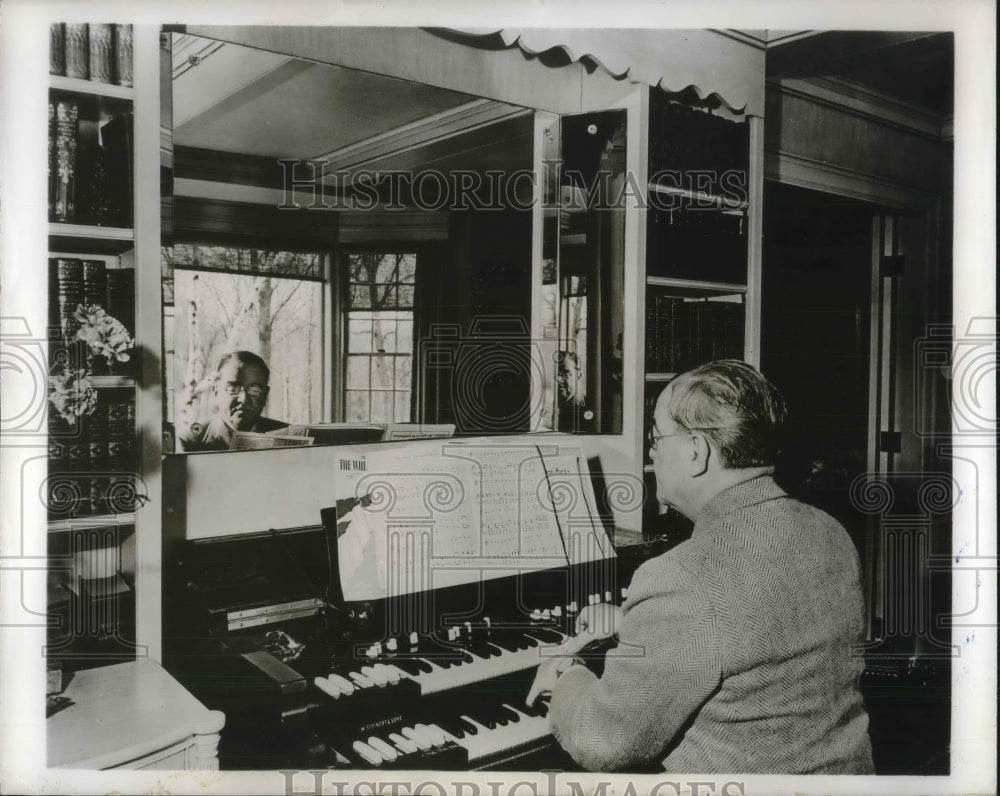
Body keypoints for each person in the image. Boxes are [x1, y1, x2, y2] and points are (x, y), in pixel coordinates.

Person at [527, 360, 873, 773]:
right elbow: (757, 629)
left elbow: (602, 742)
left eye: (656, 438)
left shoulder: (684, 576)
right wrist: (634, 622)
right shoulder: (829, 530)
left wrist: (567, 676)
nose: (651, 452)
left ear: (696, 451)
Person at [178, 350, 287, 451]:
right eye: (233, 388)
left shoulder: (289, 437)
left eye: (254, 390)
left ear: (265, 394)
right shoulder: (188, 444)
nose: (243, 400)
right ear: (216, 390)